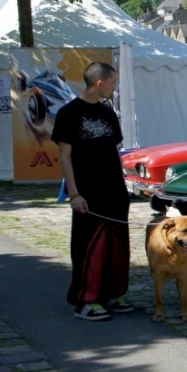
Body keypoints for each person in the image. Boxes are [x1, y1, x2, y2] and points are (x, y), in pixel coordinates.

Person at [51, 62, 134, 321]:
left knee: (118, 246)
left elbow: (114, 150)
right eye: (113, 83)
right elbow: (64, 156)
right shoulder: (69, 113)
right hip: (89, 193)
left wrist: (125, 182)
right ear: (99, 83)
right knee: (90, 248)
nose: (115, 87)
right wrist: (74, 194)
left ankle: (113, 293)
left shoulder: (108, 112)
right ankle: (86, 301)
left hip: (115, 192)